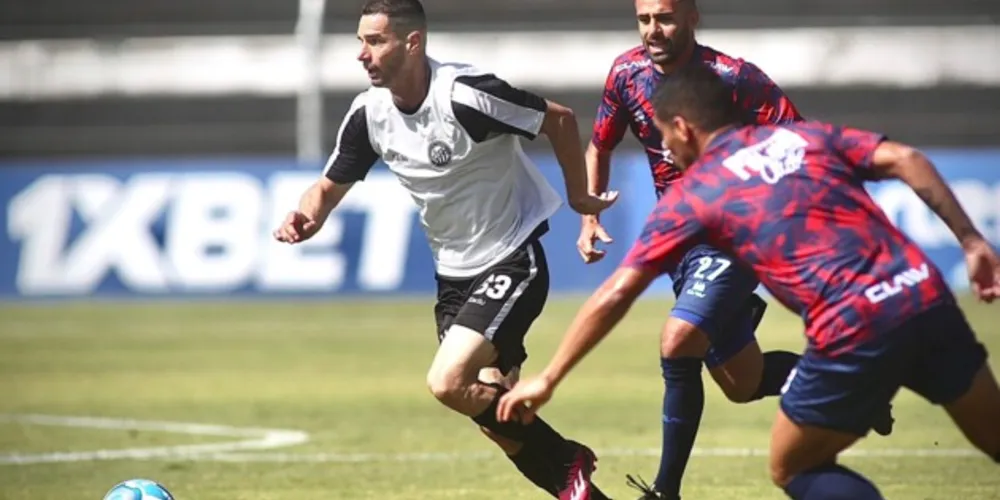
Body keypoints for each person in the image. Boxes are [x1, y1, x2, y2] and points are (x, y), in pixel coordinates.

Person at [498, 64, 1000, 499]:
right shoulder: (801, 137)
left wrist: (549, 377)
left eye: (665, 138)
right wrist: (973, 243)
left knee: (793, 466)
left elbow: (617, 291)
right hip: (924, 293)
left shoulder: (697, 193)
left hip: (855, 325)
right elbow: (907, 159)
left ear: (683, 127)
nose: (666, 153)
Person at [272, 1, 617, 498]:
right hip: (453, 275)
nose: (361, 54)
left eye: (374, 41)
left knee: (448, 382)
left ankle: (568, 457)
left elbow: (558, 120)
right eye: (359, 42)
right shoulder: (370, 114)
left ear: (412, 43)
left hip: (512, 256)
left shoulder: (465, 95)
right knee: (497, 420)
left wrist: (580, 196)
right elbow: (327, 187)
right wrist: (308, 215)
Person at [579, 0, 891, 497]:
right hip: (681, 239)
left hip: (737, 235)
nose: (653, 30)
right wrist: (590, 215)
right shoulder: (626, 73)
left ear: (692, 16)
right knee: (742, 384)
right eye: (644, 19)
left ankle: (665, 492)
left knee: (677, 341)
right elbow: (600, 145)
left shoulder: (735, 78)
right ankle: (859, 385)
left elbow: (799, 139)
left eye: (664, 17)